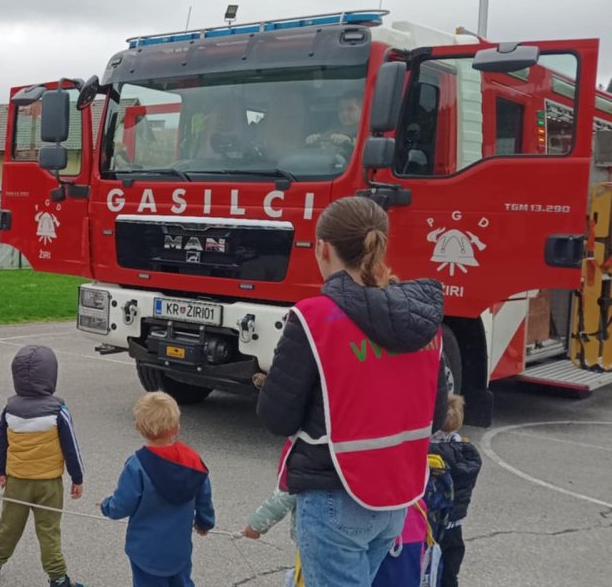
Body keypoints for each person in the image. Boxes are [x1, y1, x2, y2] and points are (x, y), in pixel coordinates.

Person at [257, 196, 449, 586]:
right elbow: (437, 413)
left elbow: (277, 417)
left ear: (322, 248)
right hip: (396, 497)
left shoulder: (315, 318)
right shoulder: (425, 321)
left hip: (335, 495)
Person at [0, 345, 86, 587]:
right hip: (49, 484)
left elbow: (1, 443)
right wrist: (77, 478)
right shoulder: (58, 410)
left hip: (17, 481)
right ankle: (58, 577)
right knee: (49, 530)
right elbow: (71, 446)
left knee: (9, 525)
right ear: (51, 376)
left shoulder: (10, 410)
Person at [100, 392, 214, 587]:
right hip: (179, 548)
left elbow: (123, 504)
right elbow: (204, 496)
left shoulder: (137, 465)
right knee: (182, 581)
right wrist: (205, 522)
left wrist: (106, 506)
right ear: (176, 427)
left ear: (139, 428)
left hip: (146, 550)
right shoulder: (193, 460)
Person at [428, 395, 482, 587]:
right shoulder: (466, 452)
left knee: (427, 569)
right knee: (450, 574)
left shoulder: (429, 450)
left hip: (432, 523)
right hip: (455, 523)